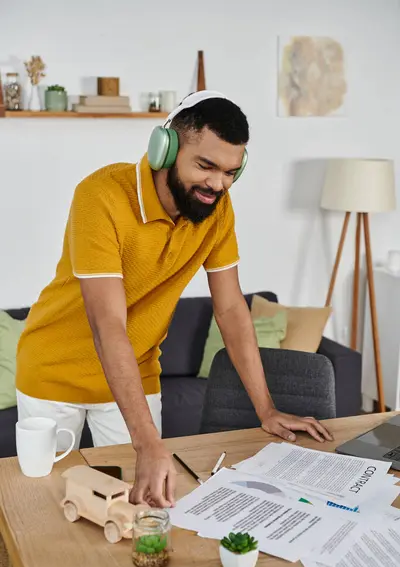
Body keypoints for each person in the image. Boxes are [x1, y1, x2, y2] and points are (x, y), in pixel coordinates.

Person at [16, 90, 332, 508]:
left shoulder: (217, 207)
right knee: (47, 506)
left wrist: (267, 410)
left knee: (145, 507)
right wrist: (146, 443)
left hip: (137, 374)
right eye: (205, 166)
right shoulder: (101, 197)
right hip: (53, 372)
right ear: (164, 149)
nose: (217, 184)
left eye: (230, 172)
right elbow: (107, 325)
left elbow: (232, 308)